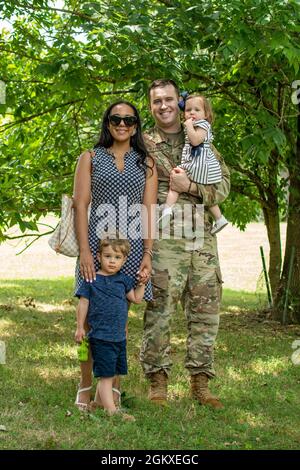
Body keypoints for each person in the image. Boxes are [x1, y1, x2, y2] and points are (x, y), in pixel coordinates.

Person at [140, 79, 230, 409]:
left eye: (168, 99)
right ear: (150, 106)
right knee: (160, 308)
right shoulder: (143, 144)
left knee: (206, 309)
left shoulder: (201, 135)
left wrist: (188, 184)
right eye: (156, 101)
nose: (162, 105)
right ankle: (157, 381)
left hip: (202, 240)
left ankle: (201, 382)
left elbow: (222, 187)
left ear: (179, 102)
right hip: (165, 238)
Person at [73, 100, 157, 410]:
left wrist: (148, 252)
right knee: (87, 324)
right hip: (96, 249)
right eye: (115, 118)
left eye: (129, 120)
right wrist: (84, 251)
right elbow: (80, 204)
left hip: (130, 252)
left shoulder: (146, 163)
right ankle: (84, 384)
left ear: (136, 126)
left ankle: (112, 388)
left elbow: (149, 210)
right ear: (107, 122)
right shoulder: (90, 157)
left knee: (118, 322)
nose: (122, 124)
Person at [75, 237, 145, 421]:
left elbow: (136, 299)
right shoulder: (91, 279)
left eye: (117, 257)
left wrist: (143, 282)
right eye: (108, 256)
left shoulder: (124, 281)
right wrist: (80, 327)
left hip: (119, 337)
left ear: (124, 260)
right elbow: (83, 303)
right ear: (98, 257)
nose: (112, 260)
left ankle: (98, 402)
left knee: (112, 373)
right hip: (101, 336)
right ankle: (112, 411)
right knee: (105, 376)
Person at [160, 93, 228, 235]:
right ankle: (219, 218)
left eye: (197, 110)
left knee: (176, 182)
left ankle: (167, 209)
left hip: (198, 165)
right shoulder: (196, 125)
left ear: (206, 114)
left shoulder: (202, 125)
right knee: (202, 193)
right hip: (197, 165)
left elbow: (196, 141)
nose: (192, 113)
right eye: (188, 110)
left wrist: (189, 126)